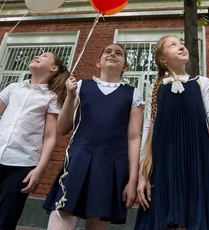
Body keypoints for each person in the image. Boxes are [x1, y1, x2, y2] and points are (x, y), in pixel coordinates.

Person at [0, 52, 68, 230]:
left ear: (53, 68)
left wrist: (39, 169)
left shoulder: (52, 97)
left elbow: (50, 137)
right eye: (38, 54)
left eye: (45, 56)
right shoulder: (13, 88)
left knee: (5, 223)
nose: (38, 56)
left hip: (21, 166)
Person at [44, 44, 143, 229]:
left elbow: (134, 138)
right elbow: (63, 127)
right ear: (98, 62)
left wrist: (132, 180)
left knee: (98, 221)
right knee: (62, 216)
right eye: (107, 51)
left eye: (119, 53)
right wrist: (70, 96)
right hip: (78, 161)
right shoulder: (81, 86)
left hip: (111, 166)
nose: (112, 54)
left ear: (125, 66)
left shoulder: (133, 94)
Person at [135, 35, 209, 230]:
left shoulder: (202, 82)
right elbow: (147, 129)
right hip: (164, 161)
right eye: (173, 44)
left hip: (195, 160)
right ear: (162, 59)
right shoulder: (156, 87)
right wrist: (142, 174)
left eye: (181, 43)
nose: (181, 46)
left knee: (192, 218)